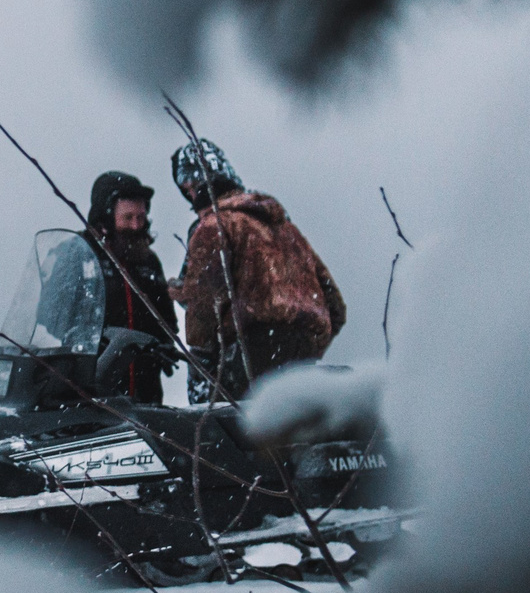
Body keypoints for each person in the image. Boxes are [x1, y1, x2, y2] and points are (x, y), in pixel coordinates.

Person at [168, 140, 347, 401]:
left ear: (191, 186)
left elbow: (205, 309)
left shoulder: (212, 227)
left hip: (247, 361)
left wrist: (202, 375)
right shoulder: (285, 230)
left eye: (188, 188)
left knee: (236, 439)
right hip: (301, 359)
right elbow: (335, 308)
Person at [86, 171, 175, 403]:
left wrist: (164, 347)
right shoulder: (80, 255)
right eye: (127, 218)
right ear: (105, 219)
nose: (136, 226)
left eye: (141, 217)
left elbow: (166, 319)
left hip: (146, 392)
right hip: (94, 390)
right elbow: (51, 320)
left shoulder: (149, 261)